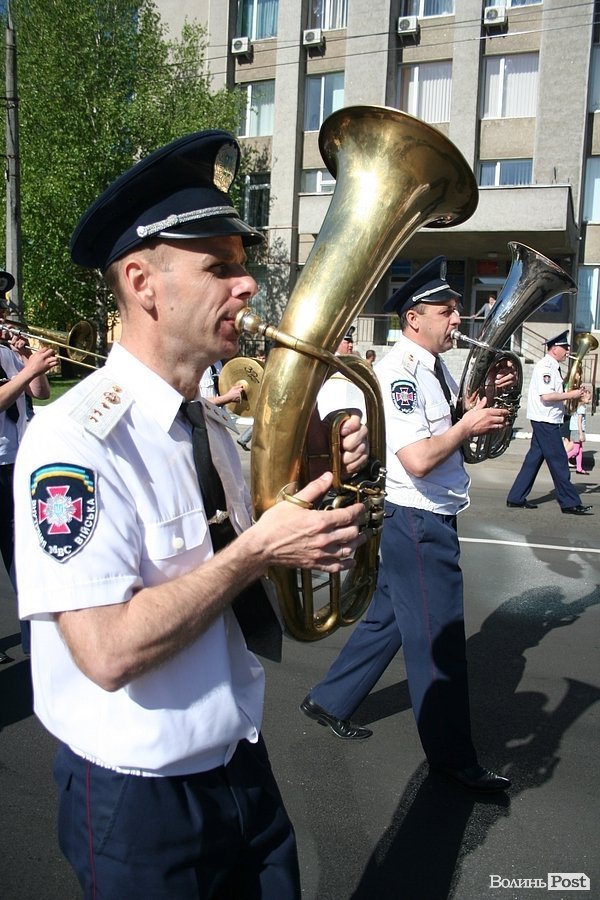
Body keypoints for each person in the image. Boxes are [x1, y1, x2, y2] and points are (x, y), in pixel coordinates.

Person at [13, 130, 369, 897]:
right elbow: (106, 651)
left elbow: (248, 574)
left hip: (238, 761)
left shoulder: (206, 422)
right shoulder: (71, 440)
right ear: (142, 281)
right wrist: (256, 553)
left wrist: (315, 477)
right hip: (139, 801)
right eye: (221, 267)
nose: (245, 287)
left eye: (241, 266)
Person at [300, 256, 515, 793]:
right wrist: (468, 424)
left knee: (388, 622)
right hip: (419, 520)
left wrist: (477, 406)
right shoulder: (400, 372)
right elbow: (418, 458)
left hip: (420, 516)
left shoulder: (431, 367)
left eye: (456, 311)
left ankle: (329, 700)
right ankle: (453, 760)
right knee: (438, 644)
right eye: (448, 311)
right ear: (414, 318)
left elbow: (443, 429)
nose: (457, 320)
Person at [0, 272, 57, 662]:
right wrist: (25, 371)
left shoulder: (8, 349)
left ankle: (35, 643)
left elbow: (40, 392)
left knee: (24, 556)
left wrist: (28, 363)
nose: (4, 311)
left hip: (17, 464)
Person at [506, 332, 592, 515]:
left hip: (547, 419)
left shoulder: (553, 366)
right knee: (559, 461)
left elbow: (556, 392)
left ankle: (516, 497)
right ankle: (569, 502)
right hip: (546, 420)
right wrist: (573, 395)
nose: (568, 351)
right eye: (565, 347)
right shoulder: (545, 367)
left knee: (533, 460)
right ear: (554, 349)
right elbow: (547, 396)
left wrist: (575, 393)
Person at [565, 385, 592, 475]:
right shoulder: (582, 408)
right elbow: (579, 421)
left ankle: (579, 468)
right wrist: (581, 433)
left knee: (580, 450)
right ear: (582, 398)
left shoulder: (580, 406)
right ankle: (562, 460)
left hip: (576, 430)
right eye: (588, 399)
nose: (589, 400)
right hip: (577, 430)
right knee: (576, 450)